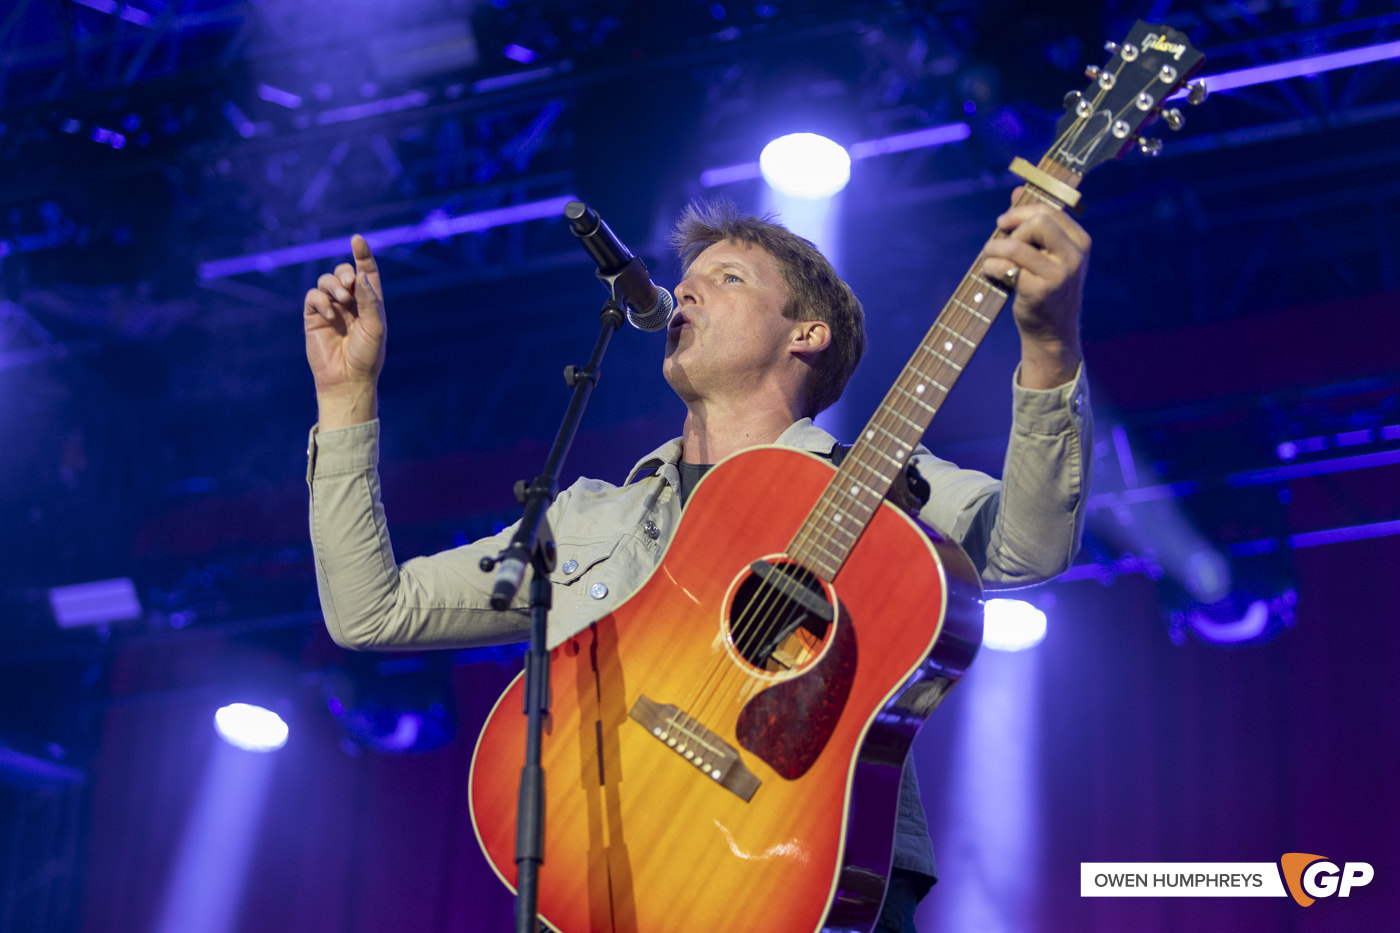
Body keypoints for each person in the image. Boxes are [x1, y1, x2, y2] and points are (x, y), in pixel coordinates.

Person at [303, 196, 1093, 932]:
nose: (684, 293)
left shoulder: (879, 483)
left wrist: (1050, 345)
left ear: (805, 333)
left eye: (727, 277)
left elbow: (1029, 543)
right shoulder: (587, 514)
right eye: (684, 282)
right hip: (605, 870)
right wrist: (346, 397)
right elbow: (372, 611)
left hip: (807, 877)